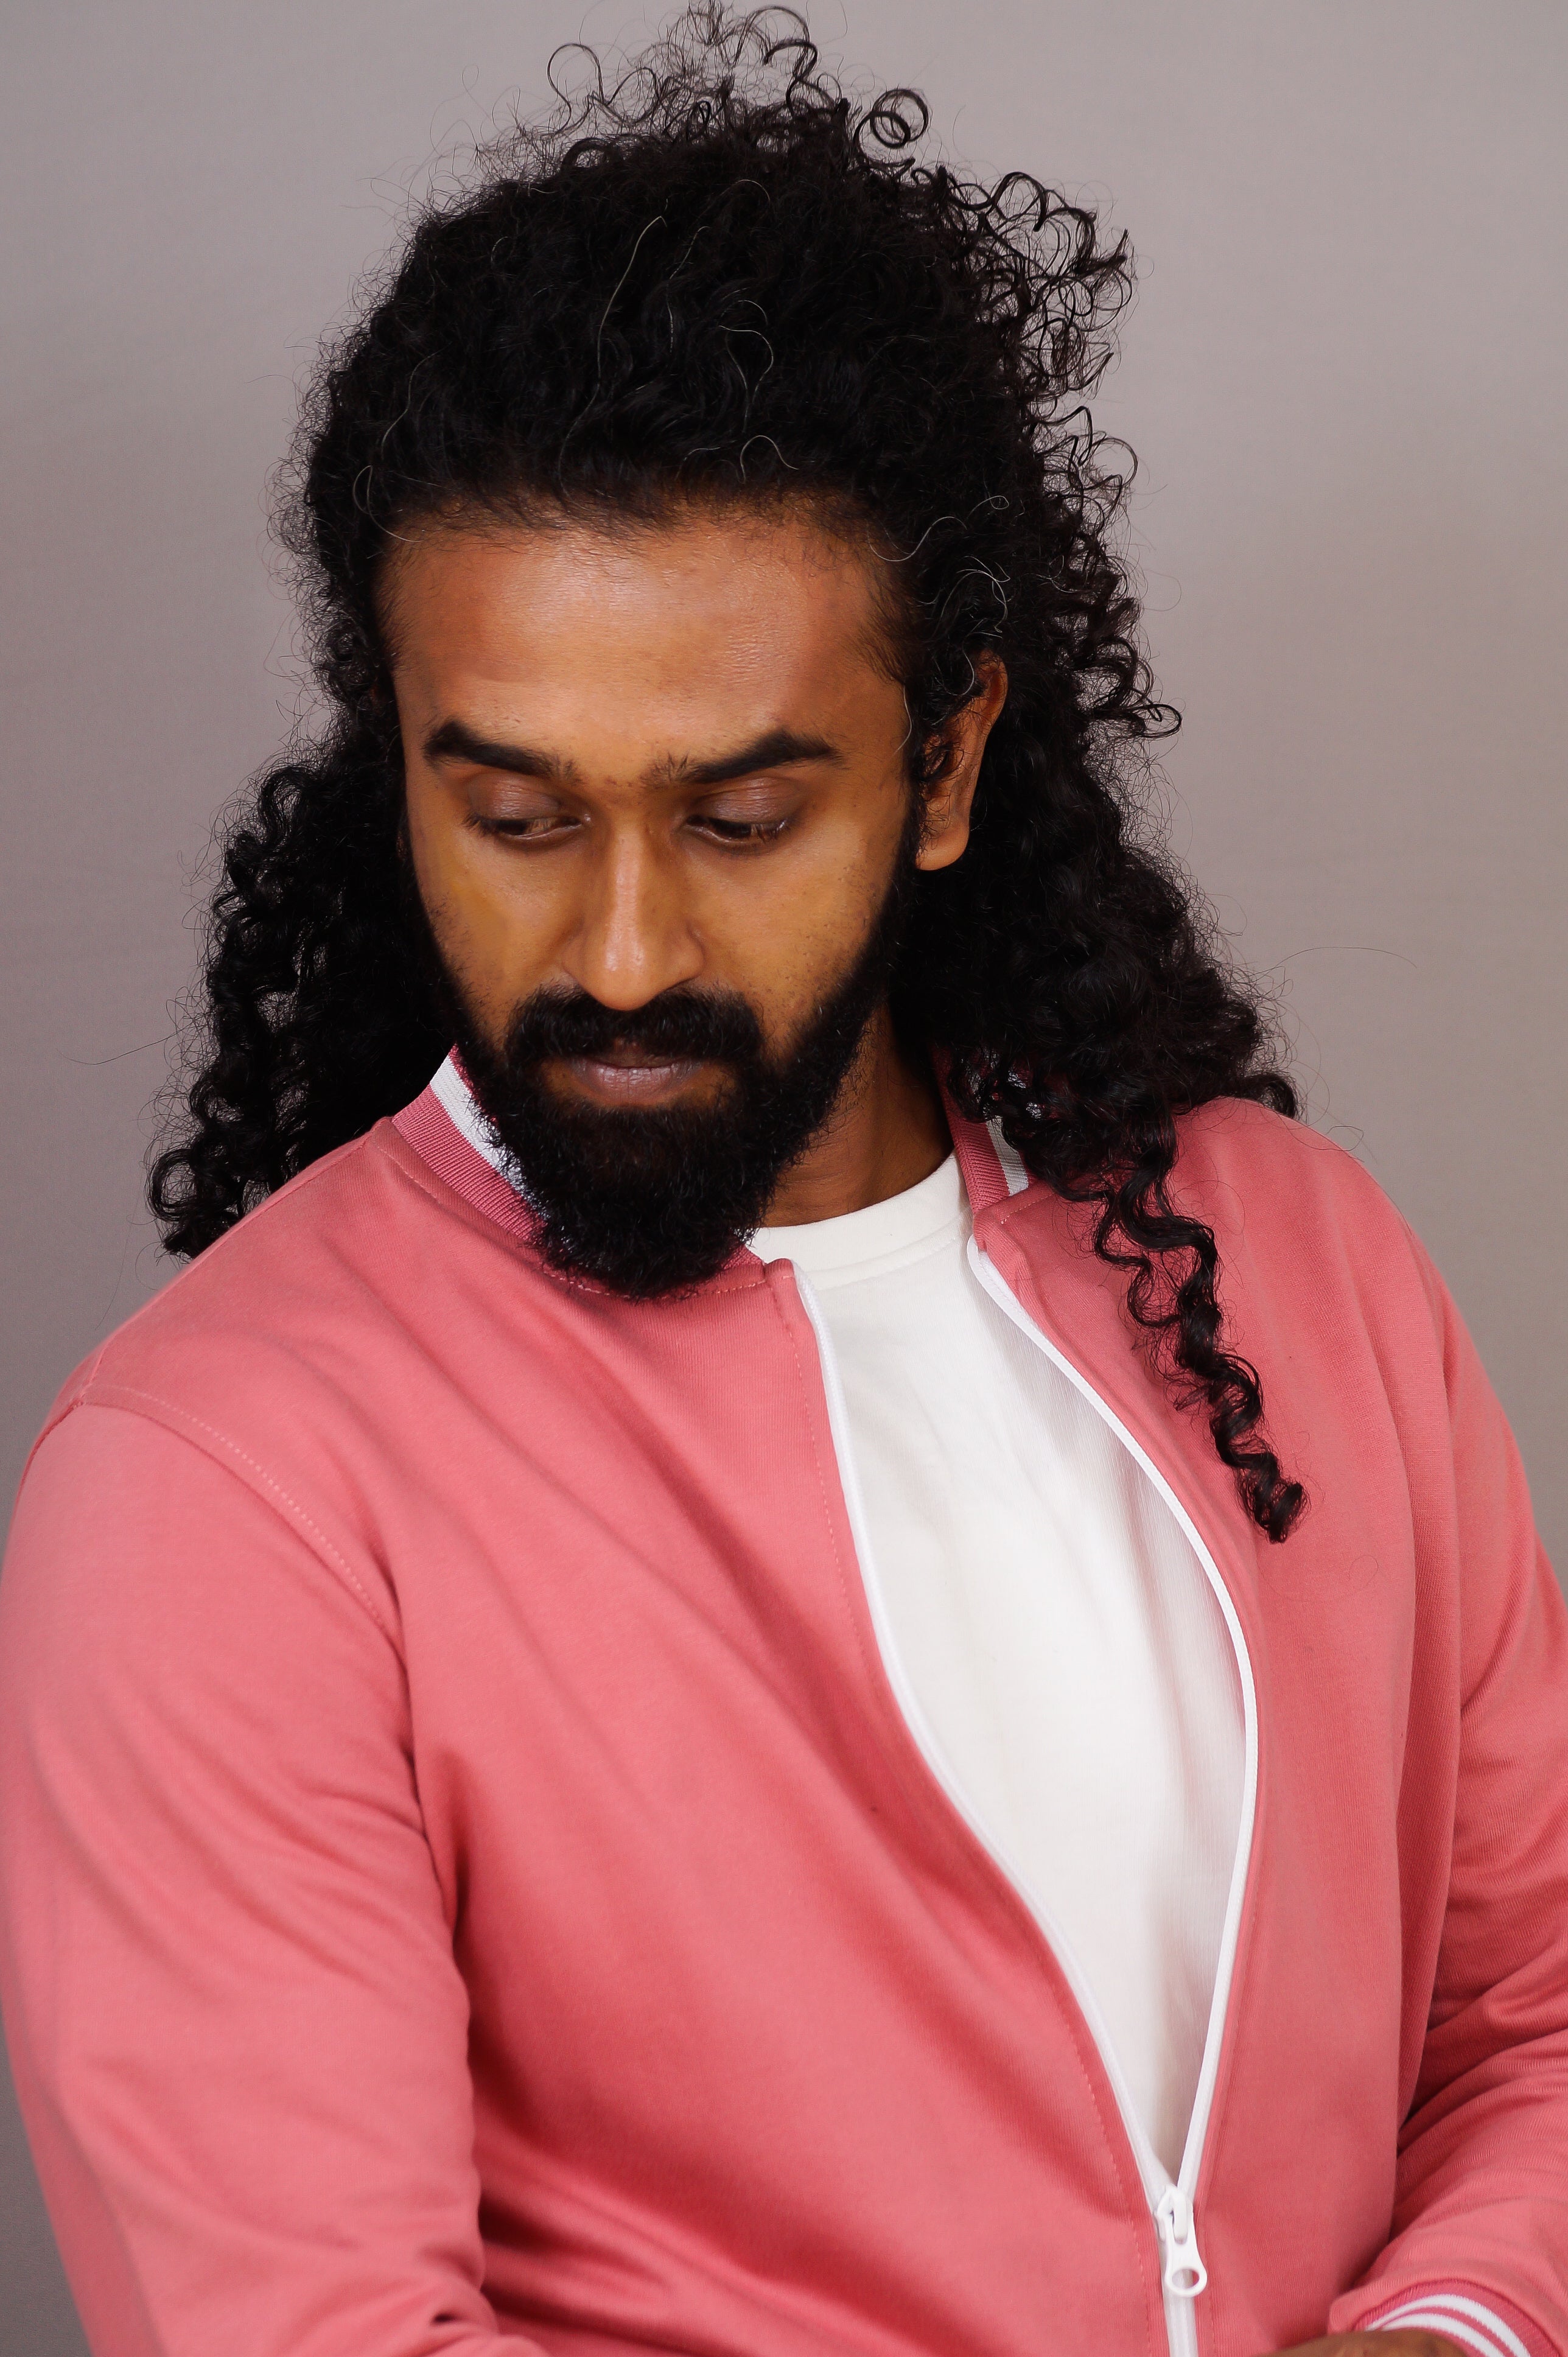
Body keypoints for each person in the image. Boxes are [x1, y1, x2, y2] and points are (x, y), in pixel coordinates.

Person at [2, 11, 1564, 2356]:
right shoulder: (223, 1484)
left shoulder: (1300, 1270)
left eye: (741, 818)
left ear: (943, 770)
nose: (619, 949)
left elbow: (1534, 2022)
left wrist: (1448, 2334)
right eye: (514, 818)